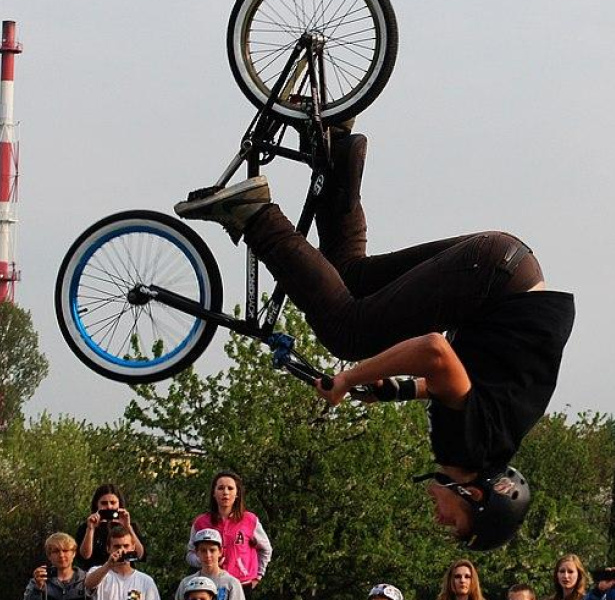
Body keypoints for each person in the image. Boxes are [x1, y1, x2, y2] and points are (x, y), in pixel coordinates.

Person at [174, 127, 575, 551]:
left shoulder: (486, 442)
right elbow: (434, 351)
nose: (440, 521)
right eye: (455, 525)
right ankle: (253, 213)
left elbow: (450, 383)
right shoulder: (470, 450)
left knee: (351, 280)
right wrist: (348, 379)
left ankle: (334, 150)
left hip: (504, 268)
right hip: (492, 279)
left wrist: (394, 390)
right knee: (348, 333)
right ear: (473, 498)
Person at [187, 471, 272, 594]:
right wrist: (204, 560)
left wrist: (258, 575)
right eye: (220, 488)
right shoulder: (201, 522)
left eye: (230, 488)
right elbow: (190, 554)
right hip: (209, 585)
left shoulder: (249, 520)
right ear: (214, 493)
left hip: (242, 584)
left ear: (237, 493)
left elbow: (266, 549)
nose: (225, 492)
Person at [74, 483, 146, 569]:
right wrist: (91, 529)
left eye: (113, 502)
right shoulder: (86, 527)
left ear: (119, 504)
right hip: (97, 576)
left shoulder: (129, 526)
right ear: (97, 504)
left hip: (123, 576)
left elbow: (139, 555)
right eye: (104, 503)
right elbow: (85, 556)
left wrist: (128, 527)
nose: (109, 506)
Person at [85, 524, 161, 600]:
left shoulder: (145, 581)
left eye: (126, 546)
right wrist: (108, 565)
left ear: (133, 547)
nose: (122, 550)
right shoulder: (99, 573)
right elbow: (88, 584)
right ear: (108, 548)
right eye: (117, 546)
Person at [177, 529, 246, 600]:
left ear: (220, 551)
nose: (208, 555)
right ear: (197, 552)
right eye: (203, 550)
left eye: (212, 550)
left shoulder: (231, 584)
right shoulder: (186, 583)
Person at [24, 532, 87, 600]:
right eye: (56, 551)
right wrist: (38, 588)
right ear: (49, 556)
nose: (61, 555)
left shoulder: (86, 579)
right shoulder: (38, 581)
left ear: (74, 553)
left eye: (65, 550)